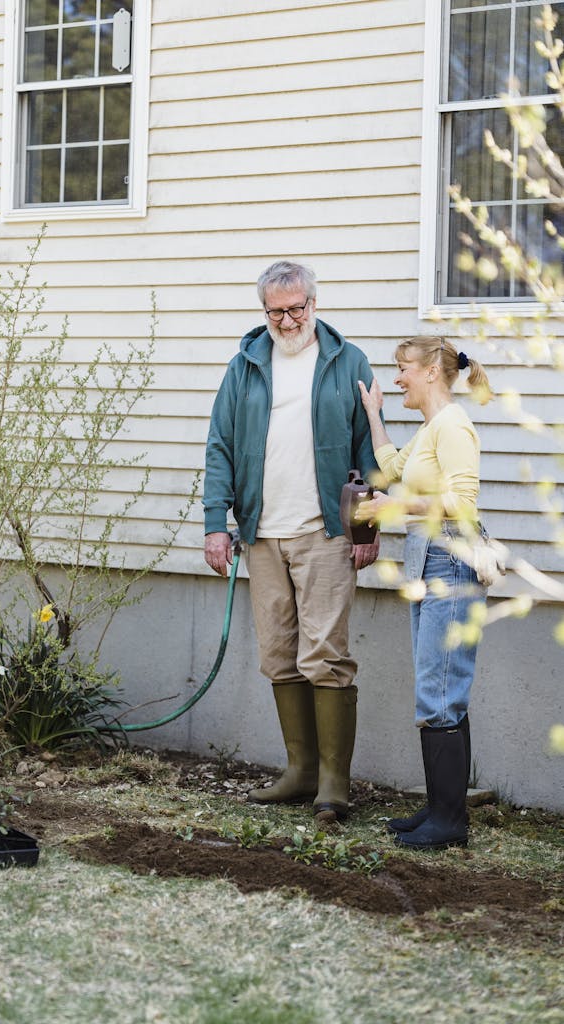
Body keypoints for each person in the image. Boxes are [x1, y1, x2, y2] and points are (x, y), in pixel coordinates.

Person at [203, 260, 379, 824]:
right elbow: (220, 446)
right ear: (264, 313)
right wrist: (215, 522)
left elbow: (369, 452)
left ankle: (334, 783)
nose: (287, 319)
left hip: (325, 532)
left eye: (296, 307)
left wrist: (366, 527)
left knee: (325, 655)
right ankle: (300, 771)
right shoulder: (246, 366)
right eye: (275, 311)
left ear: (314, 304)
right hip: (261, 533)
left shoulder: (346, 361)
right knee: (280, 656)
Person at [356, 336, 492, 850]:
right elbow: (389, 468)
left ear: (432, 371)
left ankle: (450, 823)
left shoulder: (454, 425)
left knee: (439, 692)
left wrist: (392, 510)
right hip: (431, 562)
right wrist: (374, 413)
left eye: (402, 369)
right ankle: (440, 809)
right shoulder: (433, 427)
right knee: (437, 689)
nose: (397, 378)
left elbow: (461, 502)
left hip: (451, 563)